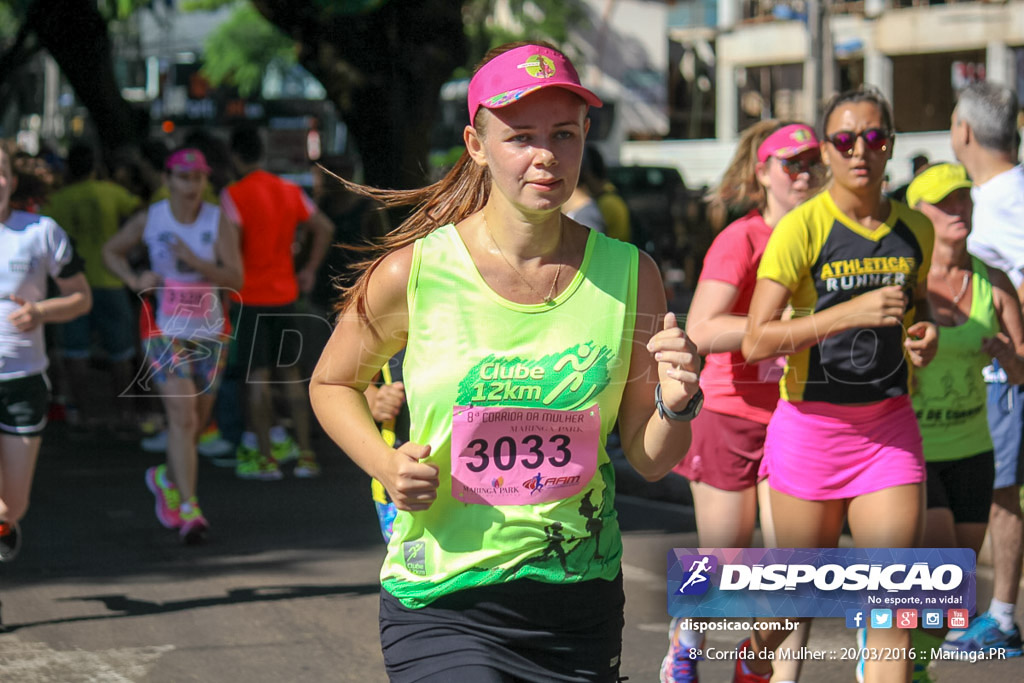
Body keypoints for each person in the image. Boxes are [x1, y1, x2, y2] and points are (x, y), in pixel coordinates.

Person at [309, 41, 702, 682]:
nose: (546, 156)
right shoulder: (415, 271)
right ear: (475, 143)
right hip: (442, 597)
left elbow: (652, 458)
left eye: (564, 135)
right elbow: (331, 382)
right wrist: (384, 462)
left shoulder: (632, 275)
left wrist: (677, 401)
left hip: (578, 603)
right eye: (520, 137)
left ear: (585, 138)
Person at [740, 86, 938, 683]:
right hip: (811, 430)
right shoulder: (802, 228)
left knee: (891, 611)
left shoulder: (915, 233)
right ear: (827, 150)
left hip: (888, 432)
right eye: (846, 139)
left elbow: (918, 309)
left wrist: (924, 337)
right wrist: (844, 315)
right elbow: (755, 340)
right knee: (793, 602)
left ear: (891, 147)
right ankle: (753, 655)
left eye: (874, 138)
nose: (861, 151)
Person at [661, 120, 824, 683]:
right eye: (790, 163)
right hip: (731, 413)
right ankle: (687, 638)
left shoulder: (829, 238)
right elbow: (701, 329)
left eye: (812, 162)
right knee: (723, 561)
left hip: (800, 419)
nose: (803, 173)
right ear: (763, 173)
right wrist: (791, 328)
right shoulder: (743, 239)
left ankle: (759, 666)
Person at [103, 148, 243, 544]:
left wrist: (196, 263)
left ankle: (167, 477)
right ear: (167, 180)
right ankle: (189, 507)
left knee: (195, 423)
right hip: (163, 329)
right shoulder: (152, 218)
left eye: (197, 178)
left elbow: (237, 277)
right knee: (182, 418)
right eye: (183, 177)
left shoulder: (218, 222)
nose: (191, 186)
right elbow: (110, 251)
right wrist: (134, 279)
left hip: (211, 330)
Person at [946, 80, 1024, 657]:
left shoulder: (999, 202)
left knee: (998, 492)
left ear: (963, 133)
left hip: (1004, 376)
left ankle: (997, 619)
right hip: (998, 373)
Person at [222, 125, 334, 480]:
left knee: (256, 378)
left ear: (235, 157)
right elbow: (325, 227)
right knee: (292, 376)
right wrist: (310, 269)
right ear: (261, 153)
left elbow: (230, 249)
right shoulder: (288, 191)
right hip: (285, 294)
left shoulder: (233, 195)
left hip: (249, 297)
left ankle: (267, 459)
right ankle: (306, 455)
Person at [0, 142, 92, 561]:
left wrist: (40, 311)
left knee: (12, 505)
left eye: (0, 172)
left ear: (12, 181)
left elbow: (80, 298)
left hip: (23, 382)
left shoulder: (40, 232)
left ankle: (5, 523)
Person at [43, 143, 142, 434]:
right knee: (121, 352)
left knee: (75, 352)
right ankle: (125, 413)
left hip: (71, 285)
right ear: (94, 167)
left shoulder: (58, 200)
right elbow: (141, 212)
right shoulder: (111, 192)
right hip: (111, 282)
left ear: (68, 169)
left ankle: (83, 415)